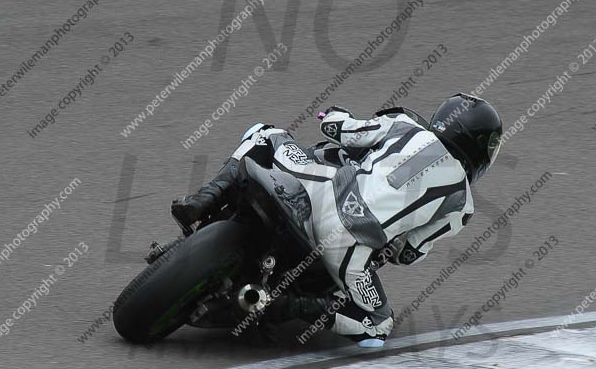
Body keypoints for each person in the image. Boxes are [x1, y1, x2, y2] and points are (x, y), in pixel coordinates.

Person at [172, 93, 502, 347]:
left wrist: (335, 115)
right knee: (378, 324)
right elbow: (409, 252)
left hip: (320, 192)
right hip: (351, 250)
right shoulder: (463, 206)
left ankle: (204, 199)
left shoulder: (404, 126)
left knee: (264, 134)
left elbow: (338, 131)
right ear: (478, 149)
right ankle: (283, 306)